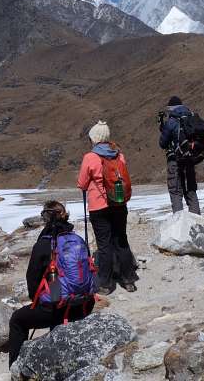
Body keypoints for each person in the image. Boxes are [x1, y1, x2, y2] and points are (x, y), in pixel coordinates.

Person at [7, 201, 95, 367]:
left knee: (17, 320)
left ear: (46, 218)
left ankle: (15, 368)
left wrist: (37, 300)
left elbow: (32, 279)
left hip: (57, 307)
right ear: (65, 215)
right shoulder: (77, 239)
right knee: (56, 302)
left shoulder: (43, 244)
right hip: (84, 303)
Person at [77, 121, 138, 295]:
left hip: (99, 206)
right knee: (121, 240)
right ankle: (128, 280)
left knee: (104, 245)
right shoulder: (119, 155)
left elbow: (82, 183)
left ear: (95, 138)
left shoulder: (90, 157)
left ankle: (105, 283)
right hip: (119, 203)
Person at [158, 96, 202, 215]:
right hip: (190, 159)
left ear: (171, 108)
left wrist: (163, 130)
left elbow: (162, 143)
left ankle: (179, 223)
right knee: (191, 190)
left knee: (175, 191)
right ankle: (197, 221)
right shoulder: (191, 117)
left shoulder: (171, 122)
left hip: (174, 160)